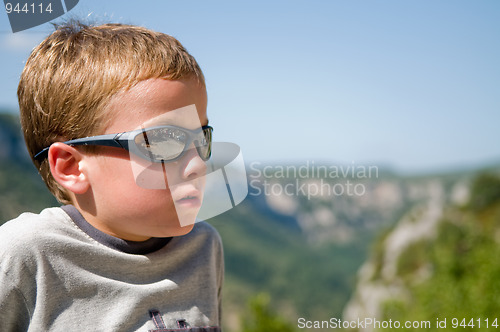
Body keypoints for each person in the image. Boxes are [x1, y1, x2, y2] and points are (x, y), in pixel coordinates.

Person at [0, 21, 223, 331]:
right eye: (161, 140)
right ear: (70, 167)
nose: (198, 164)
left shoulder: (205, 248)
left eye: (200, 137)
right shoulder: (22, 255)